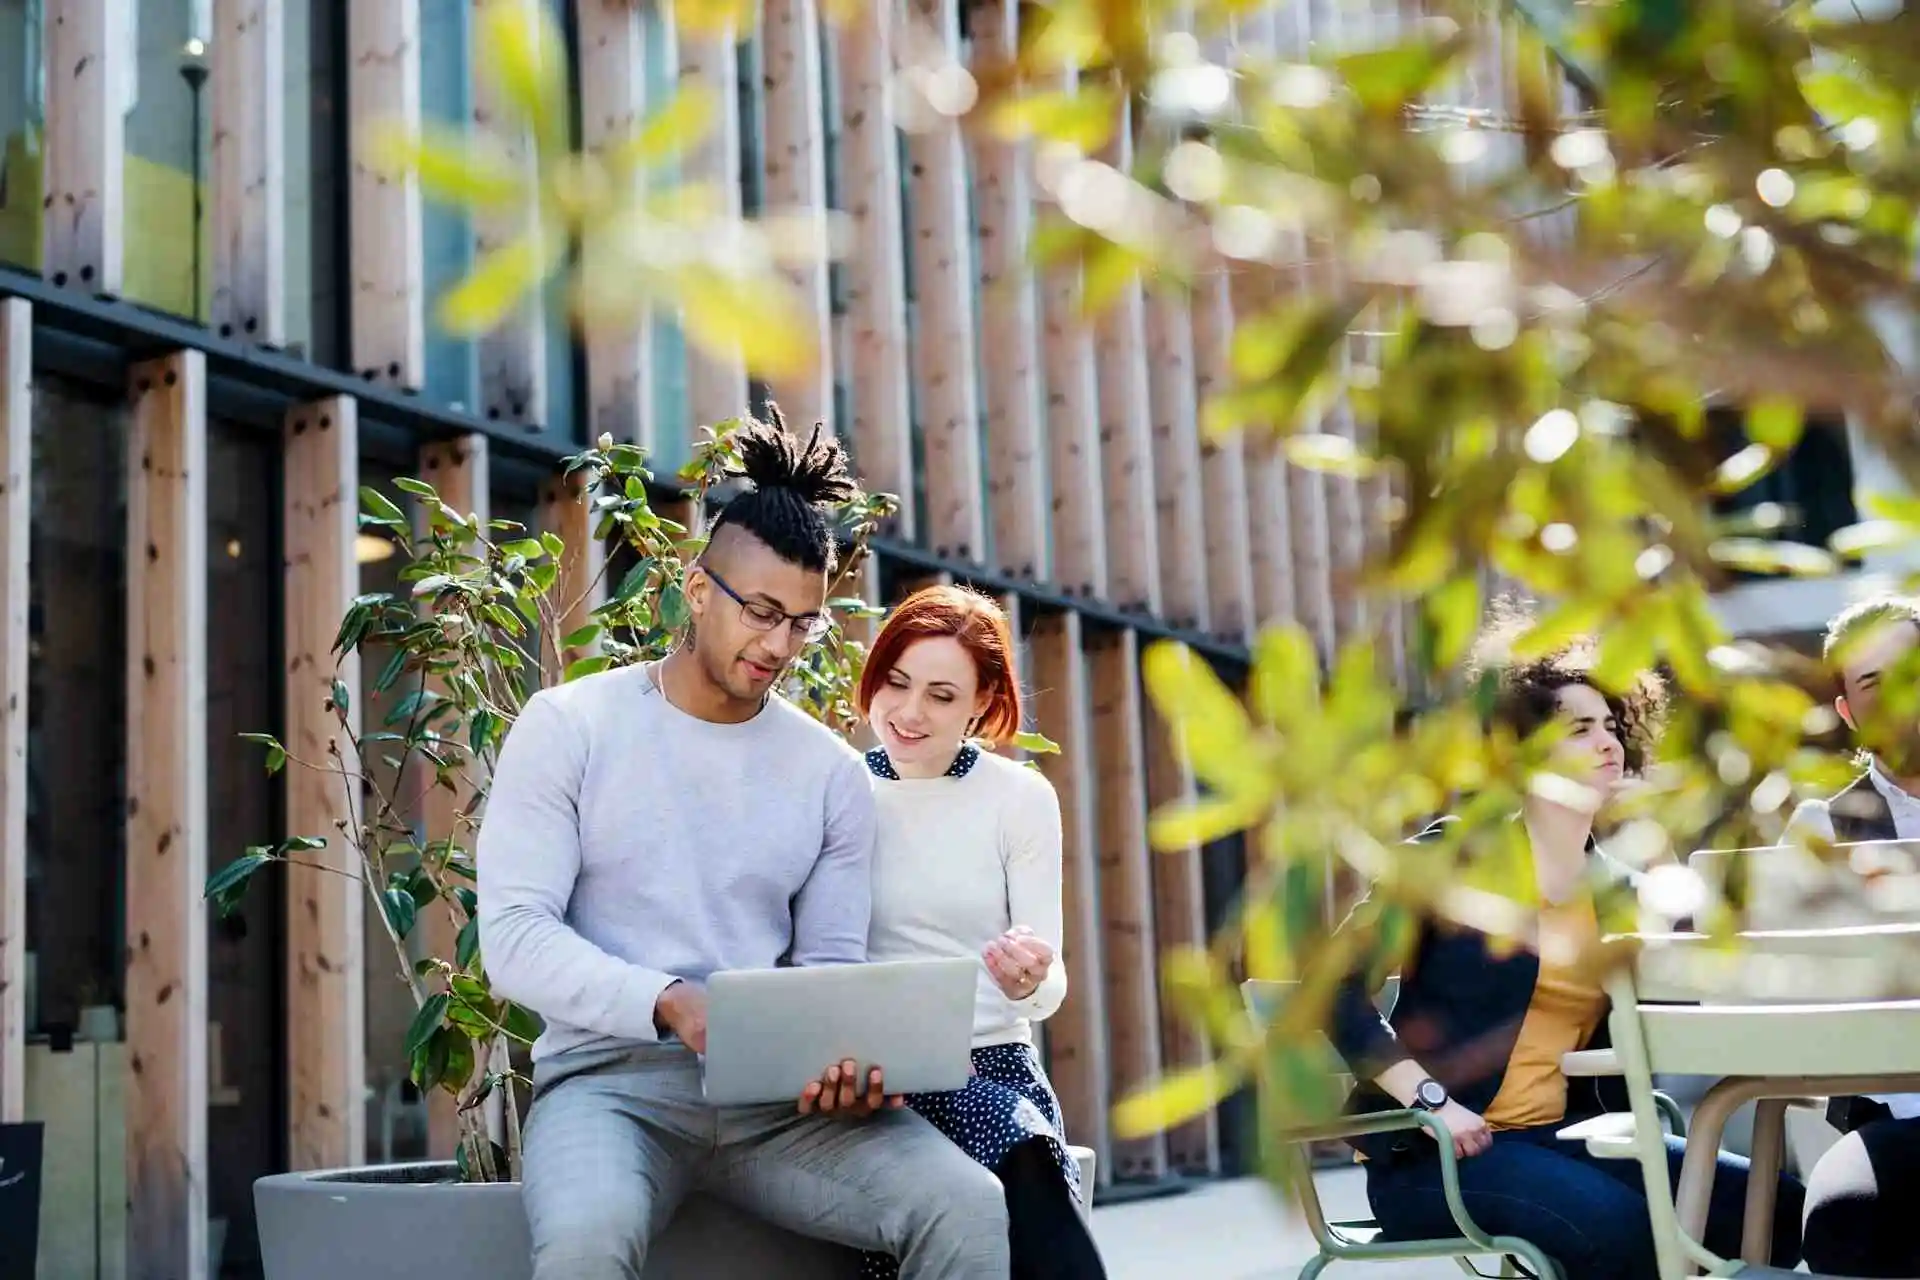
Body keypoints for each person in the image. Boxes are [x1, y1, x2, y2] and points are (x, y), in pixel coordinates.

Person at [478, 409, 1009, 1280]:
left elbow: (829, 970)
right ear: (696, 590)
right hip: (610, 1091)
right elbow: (515, 938)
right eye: (761, 612)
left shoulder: (830, 774)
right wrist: (669, 1000)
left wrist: (845, 1062)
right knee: (584, 1244)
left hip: (780, 1106)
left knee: (968, 1206)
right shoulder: (572, 725)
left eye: (802, 623)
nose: (778, 645)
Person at [1329, 603, 1804, 1280]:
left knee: (1775, 1209)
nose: (1608, 743)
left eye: (1611, 726)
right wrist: (1431, 1101)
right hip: (1439, 1152)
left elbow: (1690, 996)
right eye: (1579, 730)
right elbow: (1331, 988)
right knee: (1626, 1237)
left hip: (1569, 1140)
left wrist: (1659, 835)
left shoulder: (1623, 887)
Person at [852, 585, 1107, 1280]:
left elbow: (1047, 986)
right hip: (877, 1084)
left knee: (1015, 1144)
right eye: (896, 683)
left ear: (981, 704)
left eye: (941, 695)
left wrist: (1029, 978)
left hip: (991, 1066)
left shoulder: (1017, 798)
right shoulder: (835, 790)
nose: (908, 712)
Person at [1784, 595, 1920, 1277]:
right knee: (1846, 1225)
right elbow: (1778, 1002)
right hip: (1892, 1119)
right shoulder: (1818, 833)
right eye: (1871, 680)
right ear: (1847, 712)